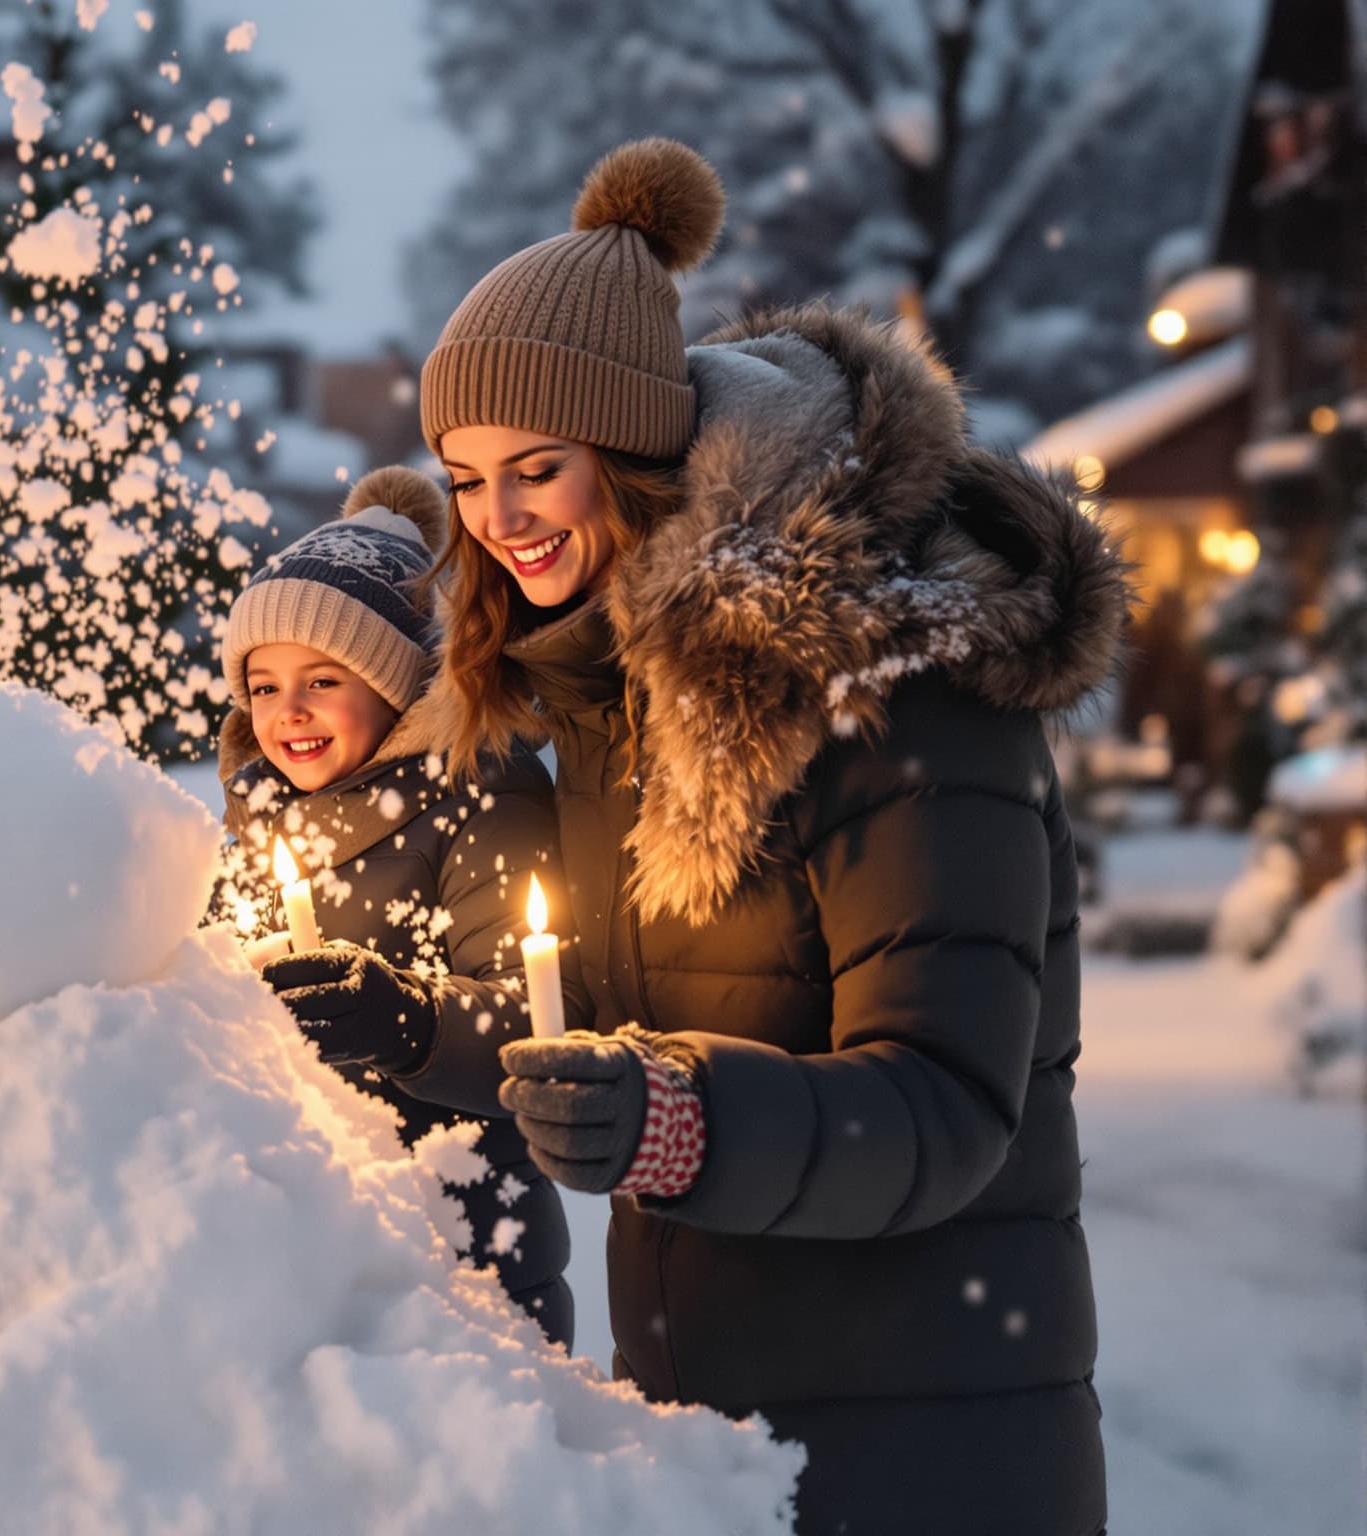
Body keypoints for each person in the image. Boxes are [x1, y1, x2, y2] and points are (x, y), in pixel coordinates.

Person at [419, 138, 1126, 1535]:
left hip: (932, 1449)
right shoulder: (617, 697)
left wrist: (677, 1121)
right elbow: (612, 1033)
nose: (496, 520)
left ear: (629, 450)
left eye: (534, 468)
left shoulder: (896, 680)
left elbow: (946, 1108)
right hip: (719, 1443)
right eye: (459, 477)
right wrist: (414, 1030)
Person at [217, 467, 584, 1348]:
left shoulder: (480, 793)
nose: (287, 712)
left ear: (397, 682)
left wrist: (406, 1019)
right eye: (263, 687)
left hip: (464, 1242)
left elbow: (537, 1010)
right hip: (310, 1242)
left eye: (322, 679)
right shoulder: (261, 811)